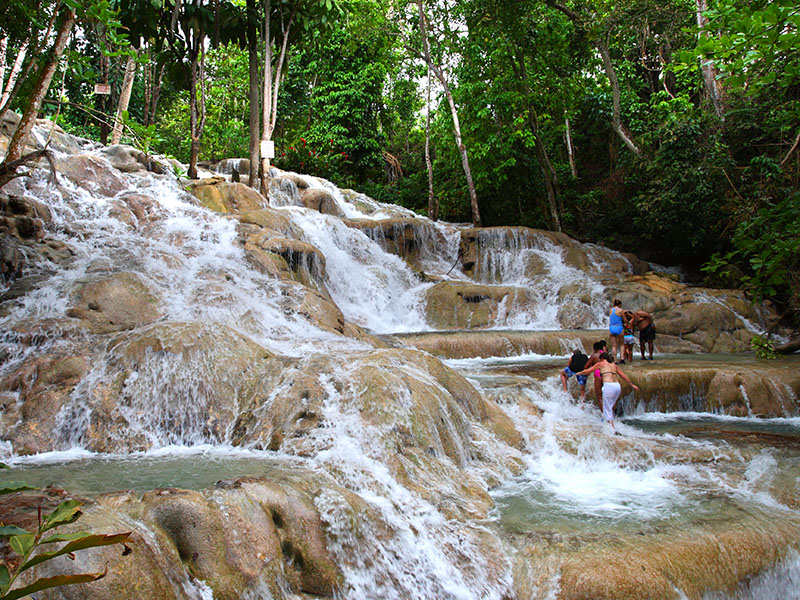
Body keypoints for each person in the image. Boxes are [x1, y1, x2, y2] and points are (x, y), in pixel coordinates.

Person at [576, 352, 640, 431]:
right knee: (610, 406)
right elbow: (623, 376)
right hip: (617, 386)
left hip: (609, 386)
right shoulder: (614, 365)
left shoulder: (601, 364)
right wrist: (632, 385)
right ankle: (609, 422)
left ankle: (611, 429)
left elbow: (588, 371)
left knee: (607, 408)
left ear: (602, 358)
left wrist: (579, 373)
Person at [582, 340, 607, 410]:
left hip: (598, 374)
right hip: (608, 374)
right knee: (607, 397)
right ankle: (610, 414)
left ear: (595, 349)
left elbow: (586, 367)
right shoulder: (606, 355)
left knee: (600, 397)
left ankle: (603, 416)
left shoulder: (594, 356)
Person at [608, 299, 626, 363]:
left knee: (614, 345)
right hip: (619, 327)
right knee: (622, 344)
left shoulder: (611, 310)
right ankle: (622, 358)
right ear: (620, 304)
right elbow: (625, 319)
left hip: (611, 327)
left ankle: (615, 360)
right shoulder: (621, 310)